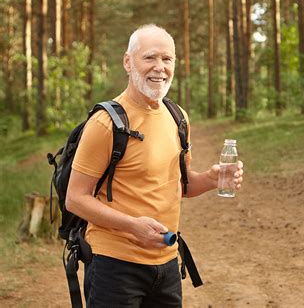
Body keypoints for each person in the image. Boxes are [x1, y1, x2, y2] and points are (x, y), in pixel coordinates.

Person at [65, 24, 244, 307]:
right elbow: (75, 199)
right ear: (128, 62)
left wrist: (211, 179)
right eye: (149, 58)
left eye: (167, 59)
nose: (159, 67)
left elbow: (180, 186)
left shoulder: (178, 117)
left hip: (167, 262)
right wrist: (132, 227)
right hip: (115, 264)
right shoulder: (105, 124)